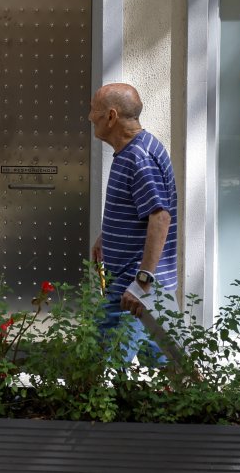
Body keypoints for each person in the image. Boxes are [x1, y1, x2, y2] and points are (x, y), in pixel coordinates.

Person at [87, 83, 178, 364]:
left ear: (111, 116)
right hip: (142, 284)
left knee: (103, 369)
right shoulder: (133, 150)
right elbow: (140, 208)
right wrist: (108, 236)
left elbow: (160, 217)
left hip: (134, 287)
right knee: (169, 369)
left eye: (94, 110)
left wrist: (142, 282)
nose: (90, 116)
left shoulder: (139, 157)